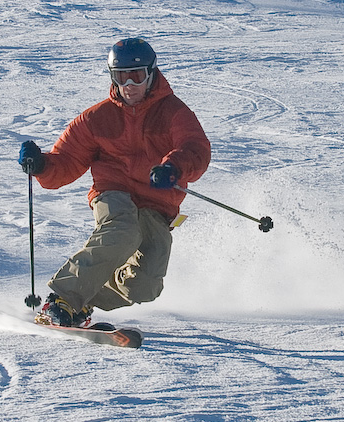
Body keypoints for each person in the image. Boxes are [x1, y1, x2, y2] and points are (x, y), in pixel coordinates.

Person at [18, 38, 211, 327]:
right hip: (113, 191)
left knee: (144, 285)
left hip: (156, 201)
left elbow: (195, 148)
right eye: (122, 76)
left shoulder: (174, 113)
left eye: (137, 75)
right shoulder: (97, 118)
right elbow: (66, 161)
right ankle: (62, 298)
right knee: (123, 230)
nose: (130, 84)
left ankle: (83, 302)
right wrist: (42, 165)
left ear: (152, 74)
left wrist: (173, 168)